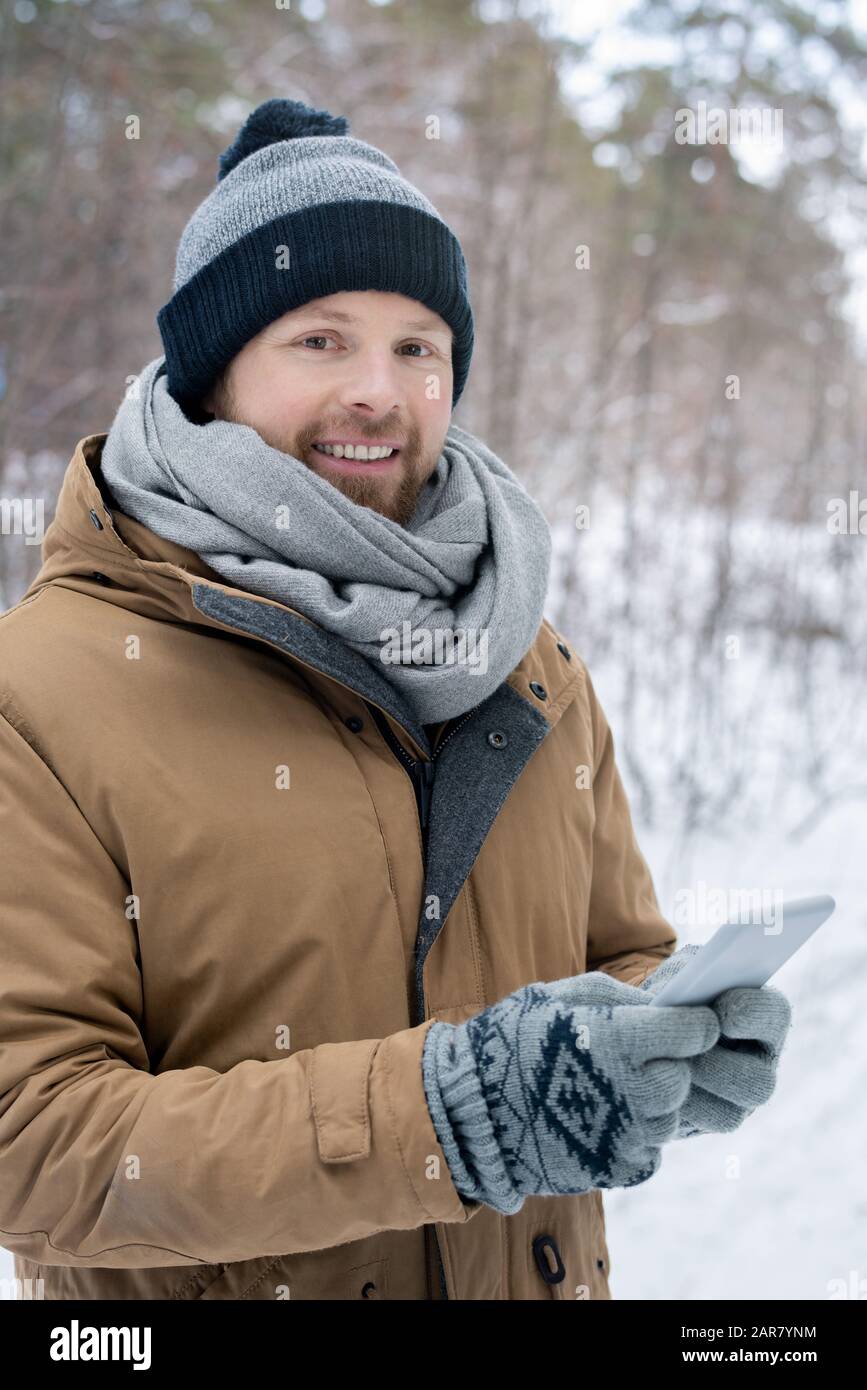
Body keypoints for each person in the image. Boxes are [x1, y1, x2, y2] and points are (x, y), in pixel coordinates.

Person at [0, 99, 791, 1302]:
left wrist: (668, 1040)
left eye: (420, 347)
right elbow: (32, 1143)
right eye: (321, 341)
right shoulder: (41, 696)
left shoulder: (532, 664)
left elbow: (617, 953)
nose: (380, 391)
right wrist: (455, 1111)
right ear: (212, 371)